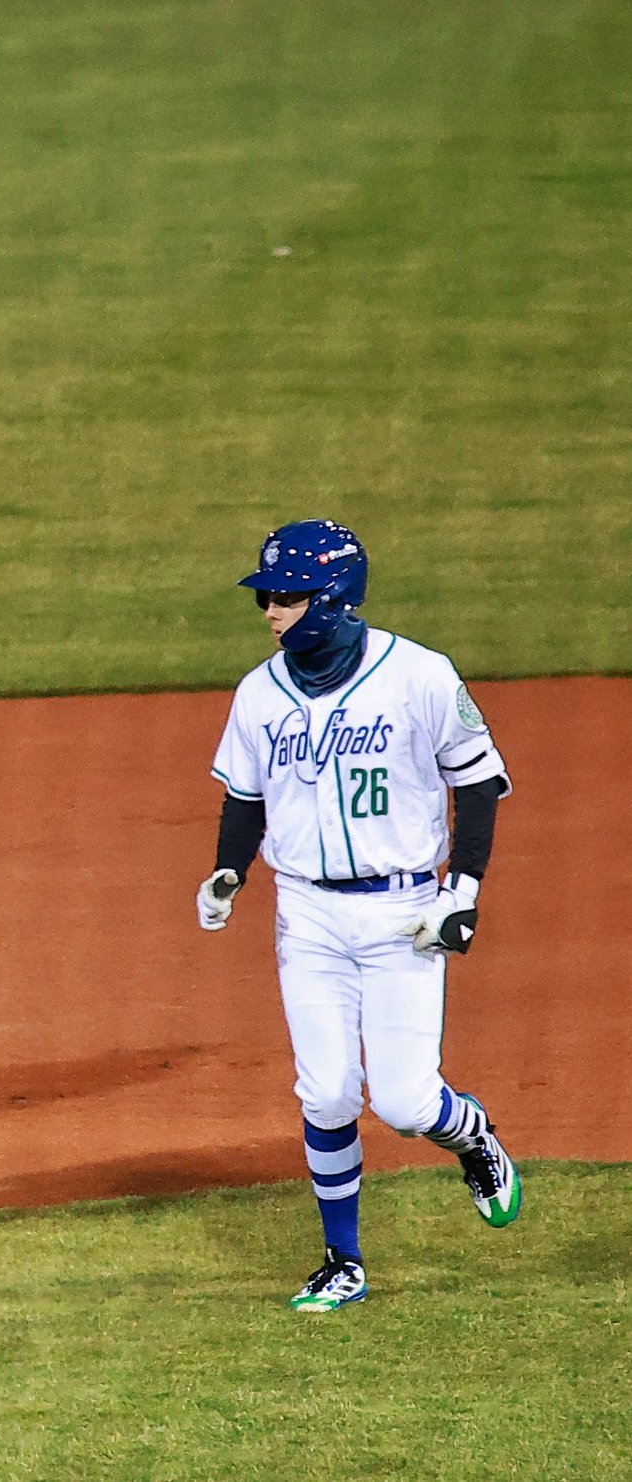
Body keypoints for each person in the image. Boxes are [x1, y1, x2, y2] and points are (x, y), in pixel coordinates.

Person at [199, 519, 521, 1313]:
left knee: (409, 1105)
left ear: (334, 599)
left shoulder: (418, 676)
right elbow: (244, 795)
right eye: (266, 597)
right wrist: (227, 870)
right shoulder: (258, 693)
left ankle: (471, 1134)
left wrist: (465, 891)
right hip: (305, 913)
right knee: (327, 1092)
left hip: (403, 909)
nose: (270, 610)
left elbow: (477, 781)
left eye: (286, 595)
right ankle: (342, 1260)